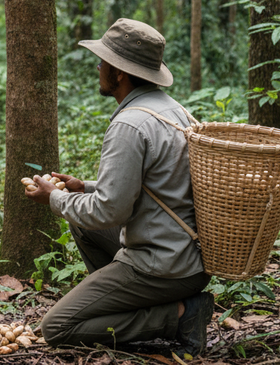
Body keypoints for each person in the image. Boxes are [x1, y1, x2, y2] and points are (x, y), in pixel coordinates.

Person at [25, 18, 213, 357]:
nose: (98, 68)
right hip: (190, 258)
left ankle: (180, 315)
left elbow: (108, 211)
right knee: (81, 224)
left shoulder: (130, 125)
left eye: (103, 62)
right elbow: (159, 183)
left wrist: (55, 198)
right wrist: (85, 187)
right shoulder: (174, 110)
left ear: (120, 73)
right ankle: (121, 301)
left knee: (56, 328)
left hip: (163, 268)